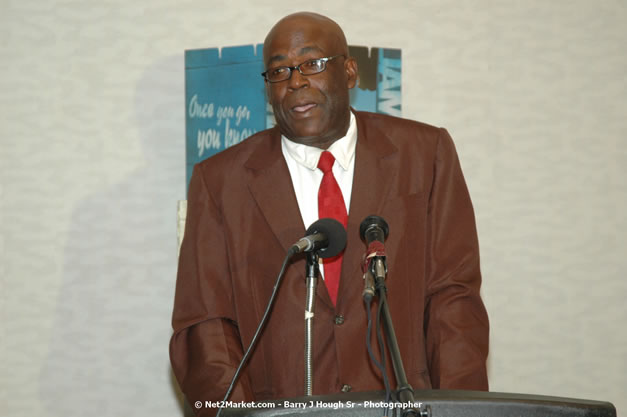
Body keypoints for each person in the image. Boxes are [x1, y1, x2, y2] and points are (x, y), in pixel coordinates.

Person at [170, 12, 489, 416]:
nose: (296, 81)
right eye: (279, 70)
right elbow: (206, 326)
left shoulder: (425, 155)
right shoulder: (220, 181)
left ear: (351, 71)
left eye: (312, 63)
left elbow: (453, 301)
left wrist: (460, 412)